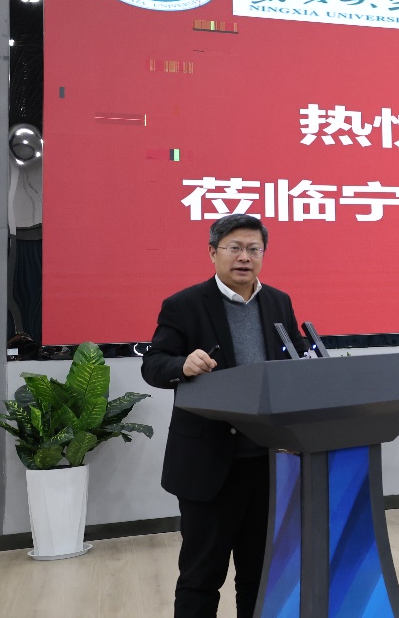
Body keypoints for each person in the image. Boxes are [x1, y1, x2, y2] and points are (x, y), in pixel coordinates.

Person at [142, 214, 305, 618]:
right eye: (234, 248)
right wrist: (182, 365)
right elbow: (154, 364)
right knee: (201, 576)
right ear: (213, 253)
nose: (244, 257)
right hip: (210, 465)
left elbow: (295, 359)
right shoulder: (184, 305)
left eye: (253, 249)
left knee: (260, 576)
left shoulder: (279, 302)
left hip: (268, 462)